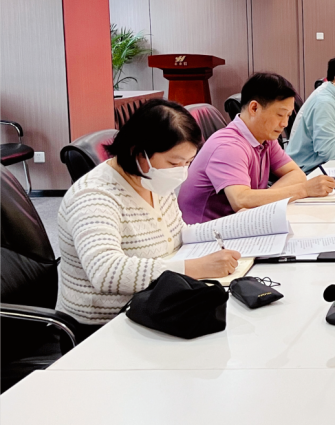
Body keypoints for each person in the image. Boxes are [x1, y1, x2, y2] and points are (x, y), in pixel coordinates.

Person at [56, 100, 242, 332]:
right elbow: (106, 272)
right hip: (105, 325)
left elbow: (177, 234)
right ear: (138, 152)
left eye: (188, 162)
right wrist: (197, 267)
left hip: (157, 303)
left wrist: (235, 228)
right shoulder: (94, 196)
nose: (182, 172)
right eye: (174, 162)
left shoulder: (151, 179)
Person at [178, 73, 335, 224]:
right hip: (207, 234)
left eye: (288, 115)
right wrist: (303, 190)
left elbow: (296, 174)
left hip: (241, 224)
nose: (284, 123)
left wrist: (264, 200)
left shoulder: (265, 137)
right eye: (280, 115)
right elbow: (241, 200)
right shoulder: (228, 146)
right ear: (254, 108)